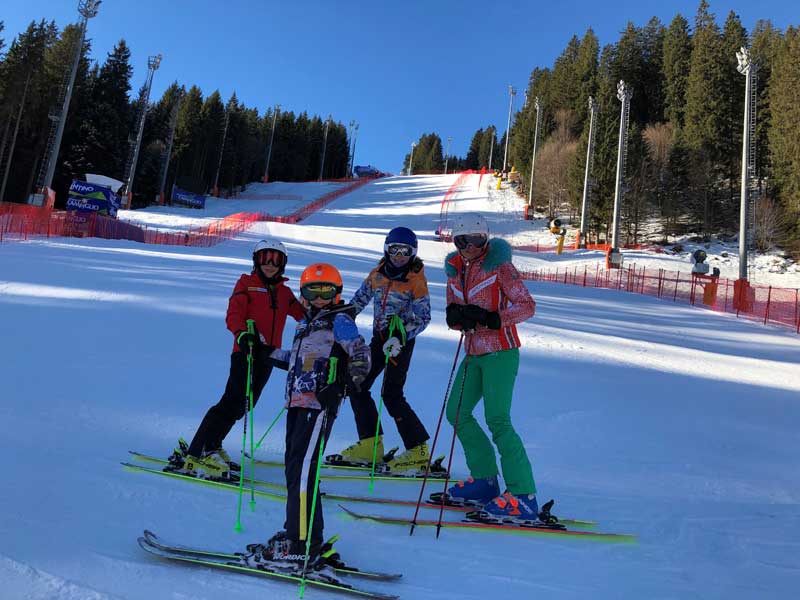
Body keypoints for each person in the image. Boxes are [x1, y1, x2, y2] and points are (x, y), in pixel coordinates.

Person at [244, 263, 370, 579]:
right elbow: (297, 361)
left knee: (302, 471)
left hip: (319, 405)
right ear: (303, 294)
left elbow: (360, 354)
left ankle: (300, 545)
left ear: (336, 293)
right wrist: (265, 353)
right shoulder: (305, 324)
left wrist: (343, 381)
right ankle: (301, 534)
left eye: (325, 291)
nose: (318, 297)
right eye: (312, 291)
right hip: (297, 405)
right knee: (296, 469)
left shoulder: (340, 321)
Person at [168, 239, 306, 479]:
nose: (270, 265)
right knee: (231, 401)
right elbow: (234, 313)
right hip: (245, 352)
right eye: (265, 258)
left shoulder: (284, 292)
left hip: (268, 357)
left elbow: (302, 314)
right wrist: (241, 334)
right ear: (256, 261)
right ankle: (197, 450)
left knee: (246, 403)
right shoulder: (247, 284)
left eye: (276, 260)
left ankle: (212, 444)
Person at [440, 213, 541, 522]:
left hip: (501, 351)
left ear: (485, 241)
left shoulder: (500, 267)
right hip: (473, 352)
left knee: (498, 419)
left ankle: (523, 494)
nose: (468, 247)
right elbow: (453, 308)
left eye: (475, 241)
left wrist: (492, 318)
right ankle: (484, 481)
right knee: (456, 412)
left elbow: (527, 305)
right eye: (462, 241)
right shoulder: (455, 270)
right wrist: (457, 317)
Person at [331, 226, 432, 473]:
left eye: (405, 252)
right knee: (357, 385)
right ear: (387, 250)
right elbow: (358, 301)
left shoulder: (415, 279)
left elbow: (424, 317)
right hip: (379, 339)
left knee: (391, 394)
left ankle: (418, 449)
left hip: (399, 342)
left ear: (413, 253)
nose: (399, 256)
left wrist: (401, 335)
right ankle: (370, 444)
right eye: (394, 250)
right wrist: (338, 318)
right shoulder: (378, 274)